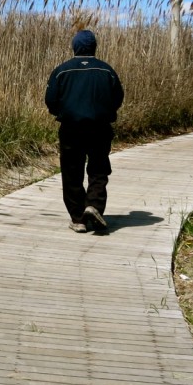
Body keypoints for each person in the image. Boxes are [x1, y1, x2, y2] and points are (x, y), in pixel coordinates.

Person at [44, 29, 124, 233]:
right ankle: (93, 205)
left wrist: (61, 112)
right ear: (94, 47)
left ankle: (78, 218)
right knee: (98, 168)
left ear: (74, 47)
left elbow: (51, 100)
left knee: (72, 172)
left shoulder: (62, 70)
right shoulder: (107, 70)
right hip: (100, 128)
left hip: (71, 128)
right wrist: (106, 112)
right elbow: (117, 98)